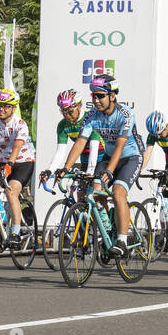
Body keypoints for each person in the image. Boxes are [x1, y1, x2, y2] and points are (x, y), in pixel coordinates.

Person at [58, 74, 144, 257]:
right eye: (93, 96)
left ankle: (122, 238)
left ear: (112, 96)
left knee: (119, 192)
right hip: (110, 156)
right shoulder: (91, 116)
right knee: (95, 191)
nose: (96, 100)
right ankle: (107, 231)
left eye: (100, 96)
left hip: (131, 157)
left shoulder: (125, 114)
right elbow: (80, 143)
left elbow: (121, 146)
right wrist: (66, 168)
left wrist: (111, 171)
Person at [0, 87, 36, 247]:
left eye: (6, 106)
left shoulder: (20, 125)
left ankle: (15, 231)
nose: (1, 108)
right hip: (3, 161)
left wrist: (9, 165)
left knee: (10, 191)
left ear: (14, 108)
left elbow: (16, 147)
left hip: (23, 162)